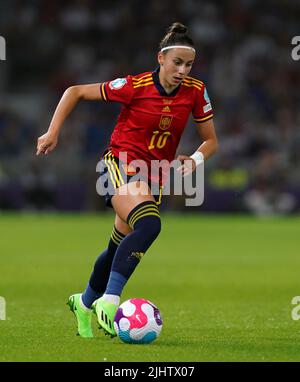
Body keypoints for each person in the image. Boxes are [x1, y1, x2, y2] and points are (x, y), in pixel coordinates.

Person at [36, 22, 219, 338]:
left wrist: (196, 158)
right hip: (119, 166)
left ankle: (84, 301)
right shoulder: (135, 85)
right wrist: (53, 131)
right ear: (160, 59)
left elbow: (211, 141)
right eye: (177, 62)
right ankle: (109, 301)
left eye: (188, 64)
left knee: (116, 248)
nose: (182, 70)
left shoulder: (196, 91)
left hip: (153, 178)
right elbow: (75, 91)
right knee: (150, 225)